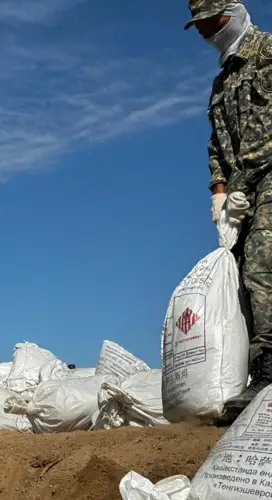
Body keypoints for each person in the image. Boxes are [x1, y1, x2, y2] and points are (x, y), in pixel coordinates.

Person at [185, 0, 272, 424]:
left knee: (262, 269)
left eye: (210, 21)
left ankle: (269, 373)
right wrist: (219, 192)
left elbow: (268, 129)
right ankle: (254, 372)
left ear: (234, 12)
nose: (205, 31)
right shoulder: (220, 84)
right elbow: (216, 144)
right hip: (240, 192)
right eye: (199, 25)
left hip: (269, 178)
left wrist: (240, 183)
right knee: (239, 277)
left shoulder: (269, 53)